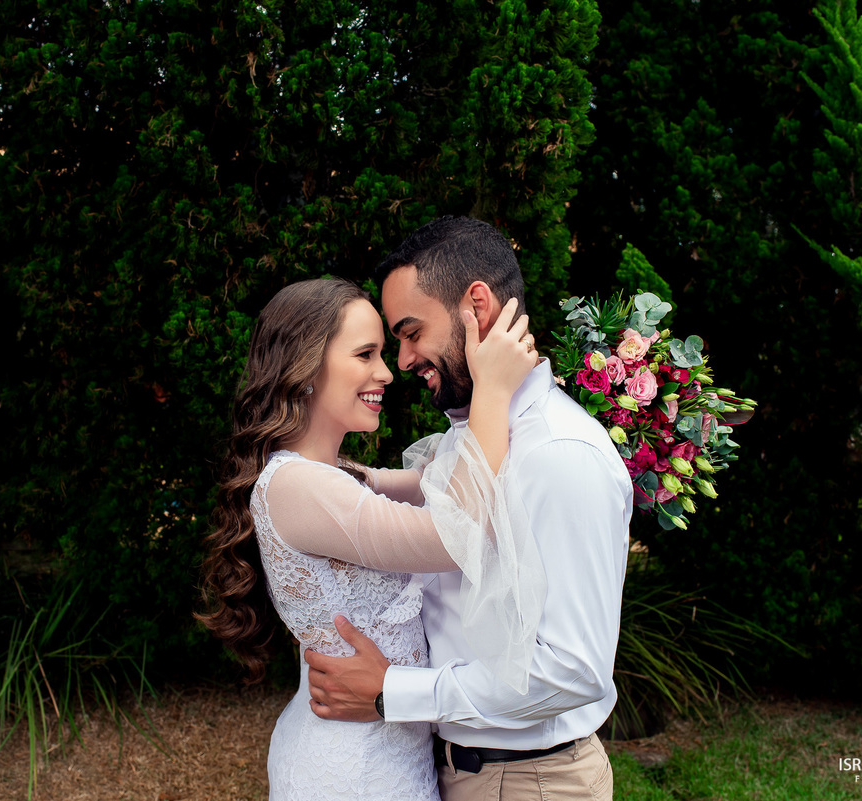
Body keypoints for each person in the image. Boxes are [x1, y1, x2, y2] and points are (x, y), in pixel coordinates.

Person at [305, 217, 633, 801]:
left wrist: (394, 691)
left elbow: (574, 670)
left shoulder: (559, 456)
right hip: (466, 772)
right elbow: (438, 491)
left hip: (529, 781)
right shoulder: (481, 430)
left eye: (411, 333)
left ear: (475, 306)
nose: (403, 360)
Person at [198, 276, 544, 800]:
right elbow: (455, 536)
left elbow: (443, 483)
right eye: (365, 354)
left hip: (386, 757)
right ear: (305, 367)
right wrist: (492, 391)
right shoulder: (297, 486)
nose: (386, 371)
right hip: (349, 772)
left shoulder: (331, 476)